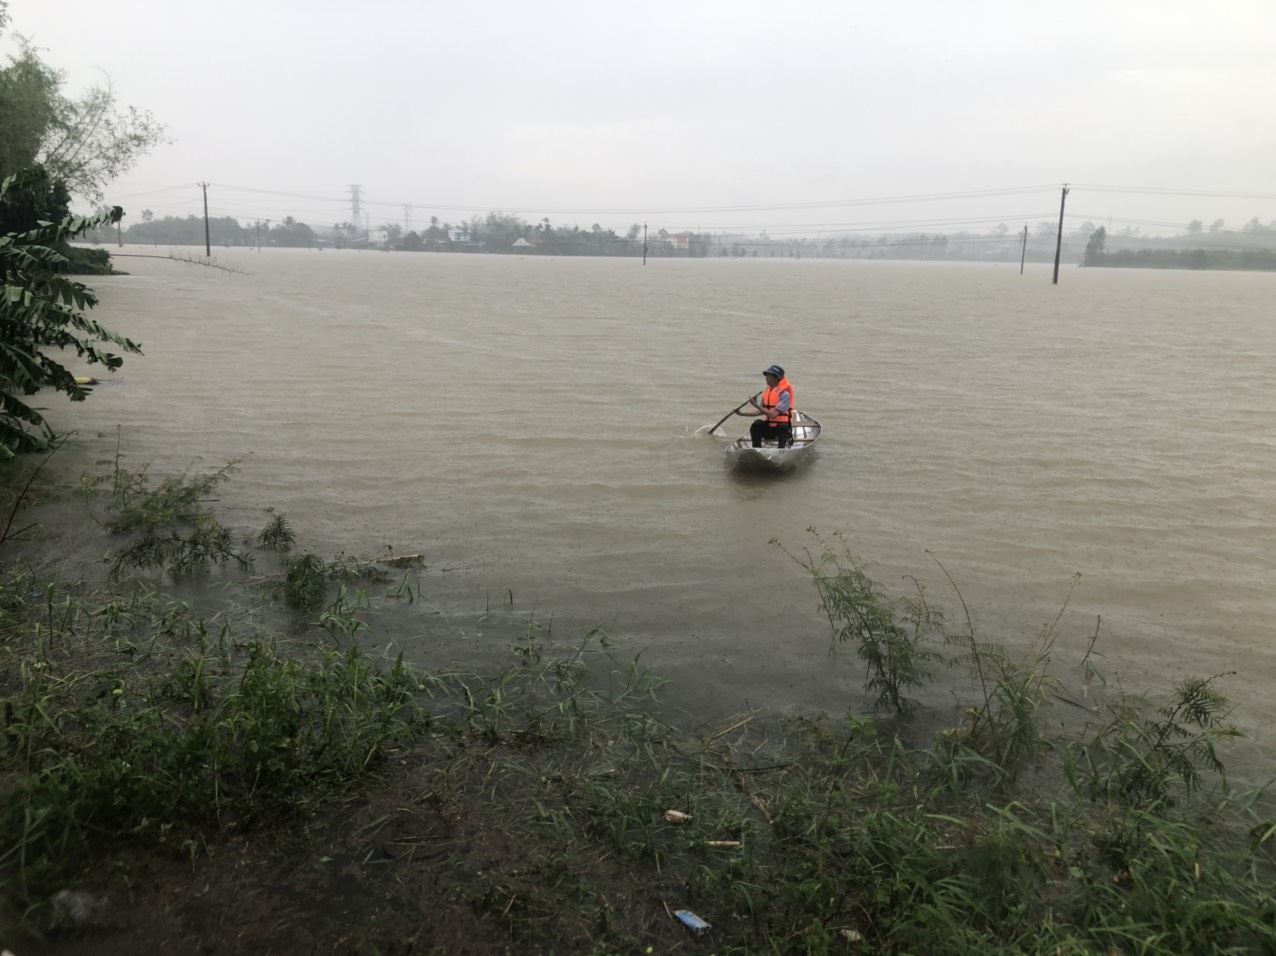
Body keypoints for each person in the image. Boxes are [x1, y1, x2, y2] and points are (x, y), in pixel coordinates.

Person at [736, 364, 794, 447]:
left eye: (769, 375)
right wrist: (742, 414)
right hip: (769, 428)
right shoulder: (767, 393)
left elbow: (773, 415)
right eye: (766, 375)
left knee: (783, 426)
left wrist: (756, 405)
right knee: (757, 424)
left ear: (776, 378)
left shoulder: (785, 394)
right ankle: (756, 449)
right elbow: (760, 412)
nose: (766, 378)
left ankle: (781, 449)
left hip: (780, 430)